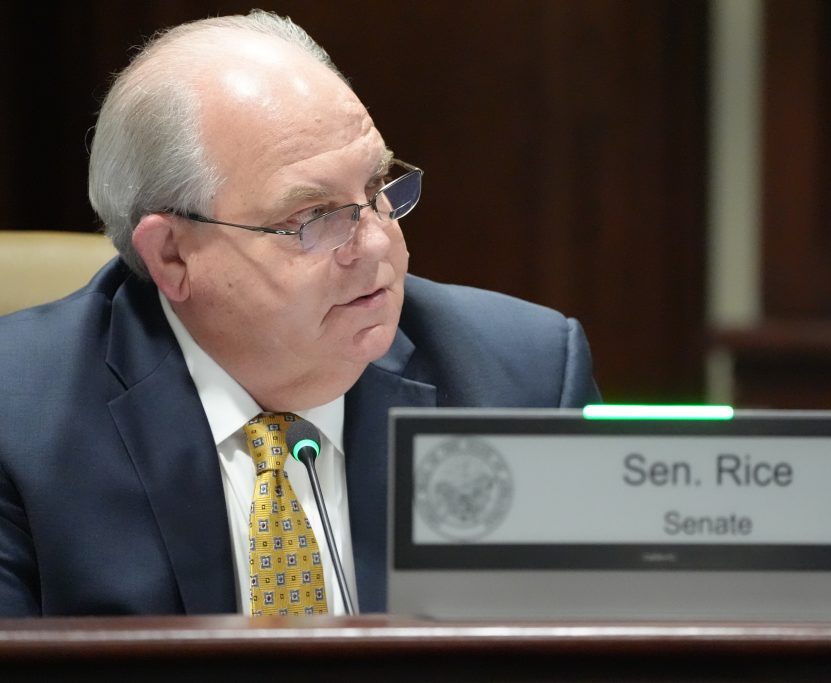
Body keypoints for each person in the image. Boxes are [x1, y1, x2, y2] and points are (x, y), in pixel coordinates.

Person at [0, 10, 599, 617]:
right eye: (313, 218)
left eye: (376, 191)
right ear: (173, 255)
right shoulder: (17, 421)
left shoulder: (524, 380)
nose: (375, 245)